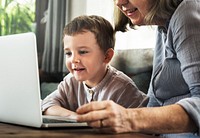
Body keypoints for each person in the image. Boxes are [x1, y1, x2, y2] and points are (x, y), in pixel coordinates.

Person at [76, 0, 200, 137]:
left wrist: (128, 118)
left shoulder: (188, 13)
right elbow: (154, 104)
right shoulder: (162, 27)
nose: (119, 2)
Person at [41, 15, 147, 117]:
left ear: (106, 56)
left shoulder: (122, 88)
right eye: (68, 53)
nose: (73, 59)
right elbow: (46, 105)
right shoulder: (70, 82)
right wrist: (74, 117)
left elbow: (144, 125)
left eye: (82, 52)